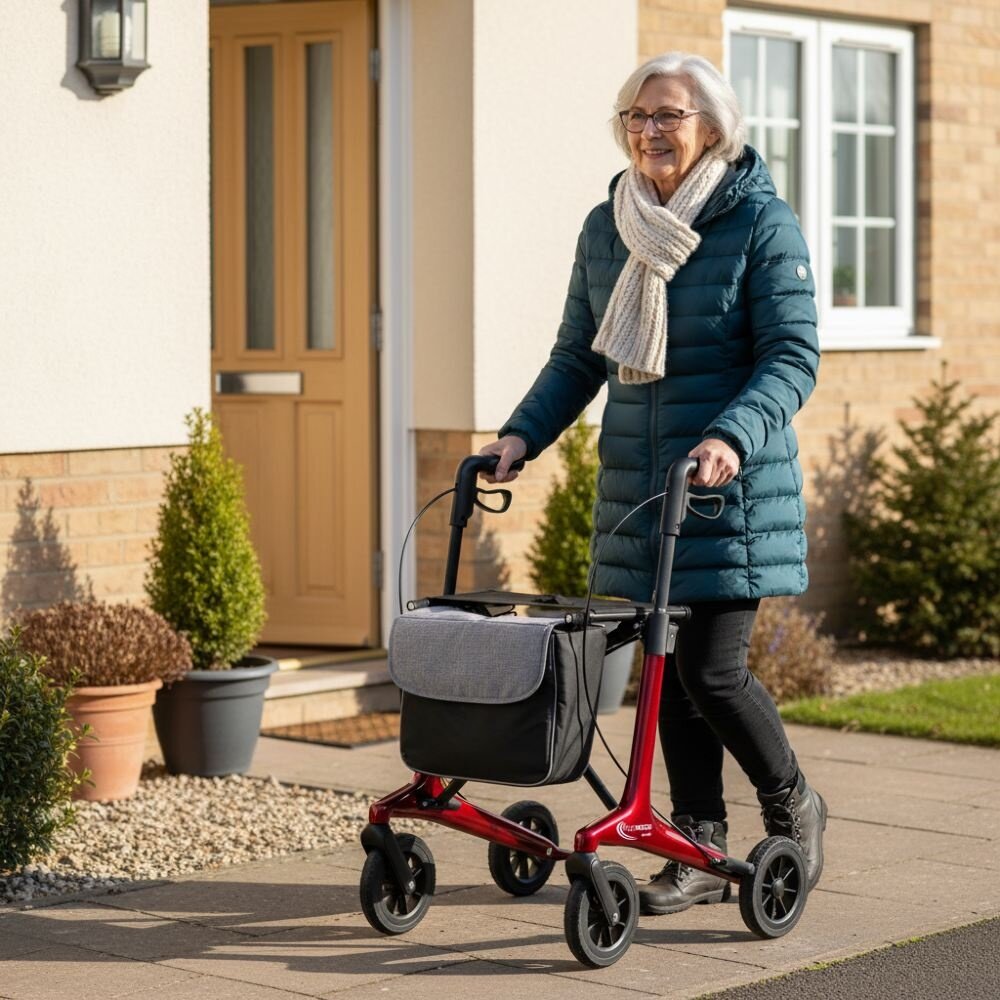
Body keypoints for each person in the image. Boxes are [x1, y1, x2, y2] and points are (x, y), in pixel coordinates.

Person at [479, 52, 827, 915]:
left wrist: (730, 437)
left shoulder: (759, 222)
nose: (650, 131)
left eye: (668, 115)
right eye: (637, 116)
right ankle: (696, 839)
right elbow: (580, 355)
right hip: (644, 489)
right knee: (665, 675)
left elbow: (792, 358)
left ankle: (793, 800)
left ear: (712, 124)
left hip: (728, 487)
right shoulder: (609, 226)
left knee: (713, 671)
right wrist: (522, 434)